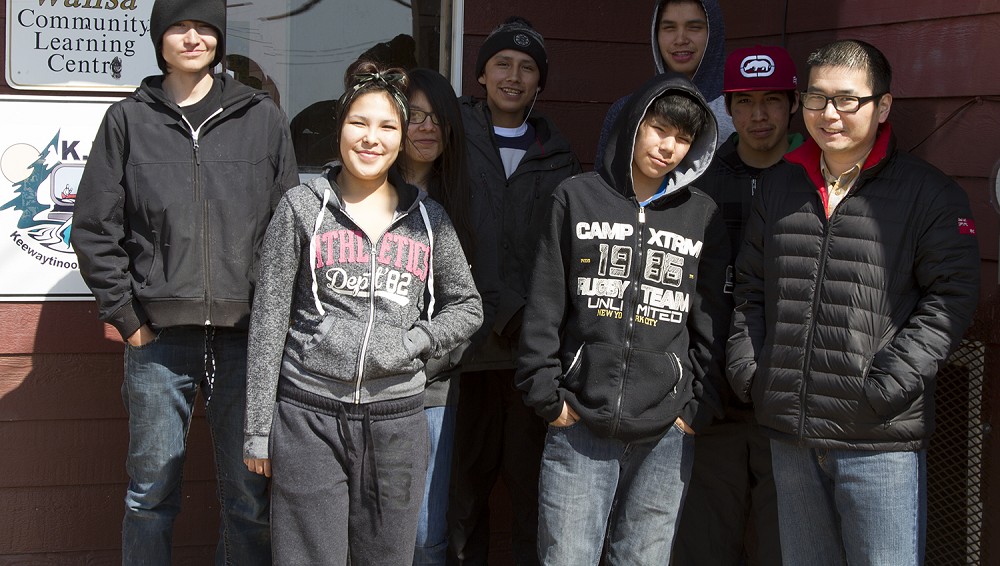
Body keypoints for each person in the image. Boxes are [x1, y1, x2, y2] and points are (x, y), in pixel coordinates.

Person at [727, 39, 980, 565]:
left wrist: (887, 385)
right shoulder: (780, 185)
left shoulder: (929, 193)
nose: (829, 114)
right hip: (790, 429)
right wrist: (754, 372)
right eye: (816, 99)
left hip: (878, 437)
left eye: (848, 100)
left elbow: (951, 297)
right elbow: (751, 287)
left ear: (882, 106)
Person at [70, 0, 298, 563]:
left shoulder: (261, 116)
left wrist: (274, 321)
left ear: (219, 38)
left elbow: (288, 227)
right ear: (158, 38)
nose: (192, 37)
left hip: (245, 337)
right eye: (179, 26)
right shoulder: (128, 120)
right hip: (158, 340)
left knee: (250, 497)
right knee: (150, 494)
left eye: (204, 27)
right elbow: (95, 227)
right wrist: (127, 317)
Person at [242, 61, 483, 565]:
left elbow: (467, 306)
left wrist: (415, 342)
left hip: (396, 421)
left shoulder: (428, 220)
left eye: (387, 127)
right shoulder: (302, 207)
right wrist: (258, 431)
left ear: (400, 141)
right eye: (359, 123)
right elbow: (268, 322)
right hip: (309, 413)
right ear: (340, 129)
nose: (371, 138)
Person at [516, 71, 730, 565]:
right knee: (567, 556)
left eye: (683, 138)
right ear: (635, 124)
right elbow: (546, 300)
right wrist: (547, 394)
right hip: (579, 421)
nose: (668, 146)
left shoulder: (702, 215)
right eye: (659, 129)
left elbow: (710, 319)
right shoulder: (575, 197)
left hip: (666, 431)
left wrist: (696, 408)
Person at [446, 16, 582, 566]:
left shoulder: (558, 154)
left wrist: (536, 326)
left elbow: (564, 254)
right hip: (464, 354)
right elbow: (448, 234)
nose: (513, 76)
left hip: (530, 358)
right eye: (502, 63)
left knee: (533, 500)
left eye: (527, 68)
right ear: (481, 74)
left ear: (539, 84)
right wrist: (503, 311)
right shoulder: (454, 136)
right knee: (461, 502)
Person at [673, 44, 802, 566]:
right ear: (727, 107)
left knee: (782, 544)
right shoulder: (703, 184)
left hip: (787, 392)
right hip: (714, 394)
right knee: (705, 543)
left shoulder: (810, 182)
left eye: (772, 100)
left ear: (793, 105)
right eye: (745, 102)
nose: (759, 115)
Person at [397, 67, 499, 566]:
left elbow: (475, 301)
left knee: (424, 535)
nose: (426, 128)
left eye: (437, 118)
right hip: (365, 386)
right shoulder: (364, 194)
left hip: (434, 387)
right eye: (413, 116)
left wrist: (430, 359)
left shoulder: (463, 200)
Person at [595, 0, 734, 170]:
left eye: (694, 27)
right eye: (669, 28)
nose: (681, 39)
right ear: (656, 34)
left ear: (714, 33)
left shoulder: (738, 112)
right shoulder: (627, 111)